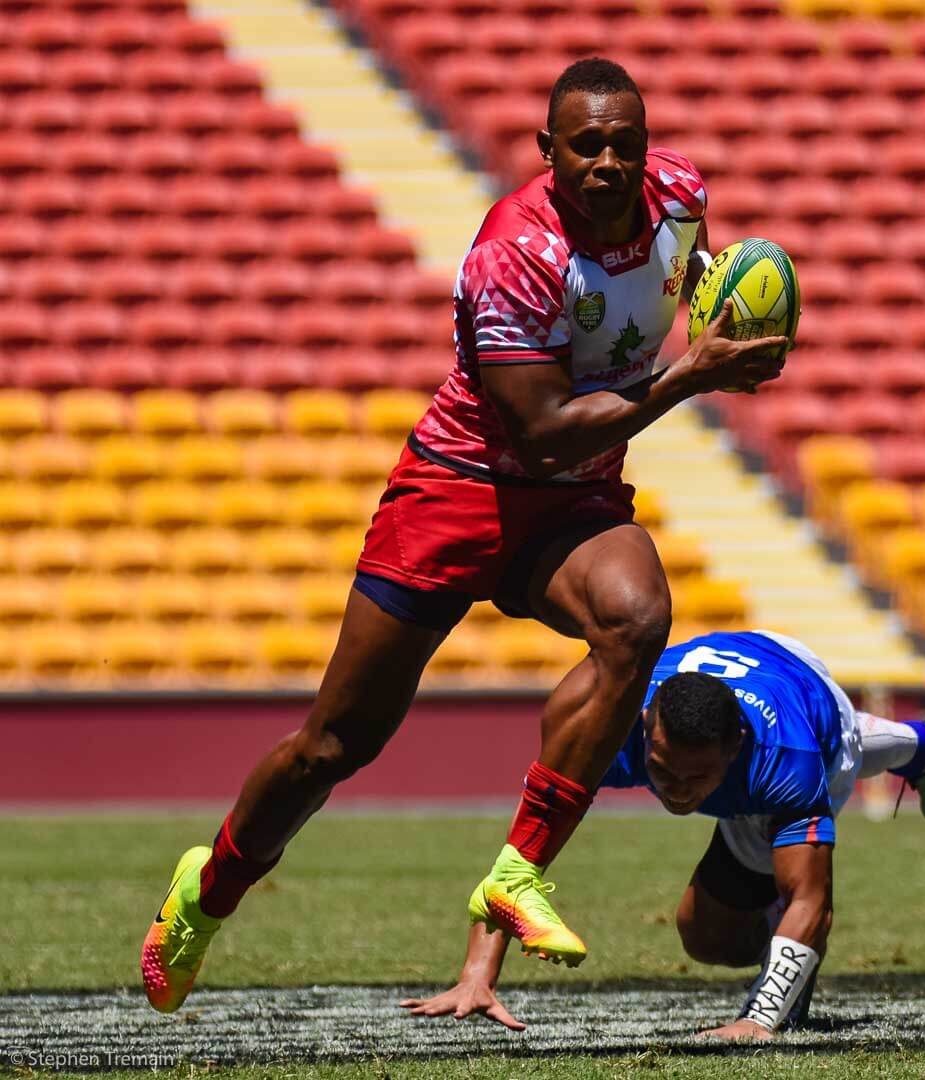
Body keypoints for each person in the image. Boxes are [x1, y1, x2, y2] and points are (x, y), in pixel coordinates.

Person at [141, 58, 792, 1013]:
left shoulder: (683, 196)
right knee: (335, 745)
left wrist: (737, 316)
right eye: (586, 146)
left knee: (636, 618)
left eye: (625, 144)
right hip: (462, 486)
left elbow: (679, 278)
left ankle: (518, 874)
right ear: (547, 152)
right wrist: (692, 376)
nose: (609, 163)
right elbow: (541, 429)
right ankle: (209, 890)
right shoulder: (514, 252)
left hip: (568, 505)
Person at [399, 630, 925, 1040]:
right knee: (708, 938)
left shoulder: (780, 759)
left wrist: (760, 1018)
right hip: (750, 666)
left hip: (805, 697)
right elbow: (522, 856)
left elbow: (811, 899)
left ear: (736, 749)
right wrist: (478, 972)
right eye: (662, 770)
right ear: (647, 728)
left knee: (714, 931)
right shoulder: (610, 730)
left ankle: (914, 744)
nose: (674, 791)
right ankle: (923, 744)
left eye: (695, 778)